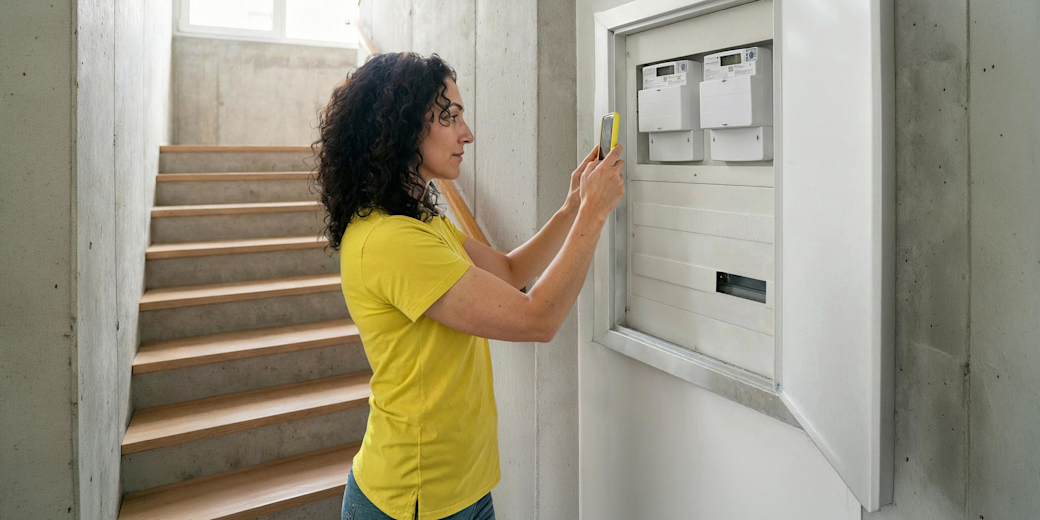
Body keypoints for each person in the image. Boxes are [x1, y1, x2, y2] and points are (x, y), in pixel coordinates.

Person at [314, 52, 625, 520]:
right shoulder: (390, 241)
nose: (467, 133)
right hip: (415, 499)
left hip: (464, 487)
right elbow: (537, 318)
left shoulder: (420, 223)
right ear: (402, 126)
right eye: (450, 117)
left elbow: (509, 271)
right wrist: (594, 215)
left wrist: (572, 208)